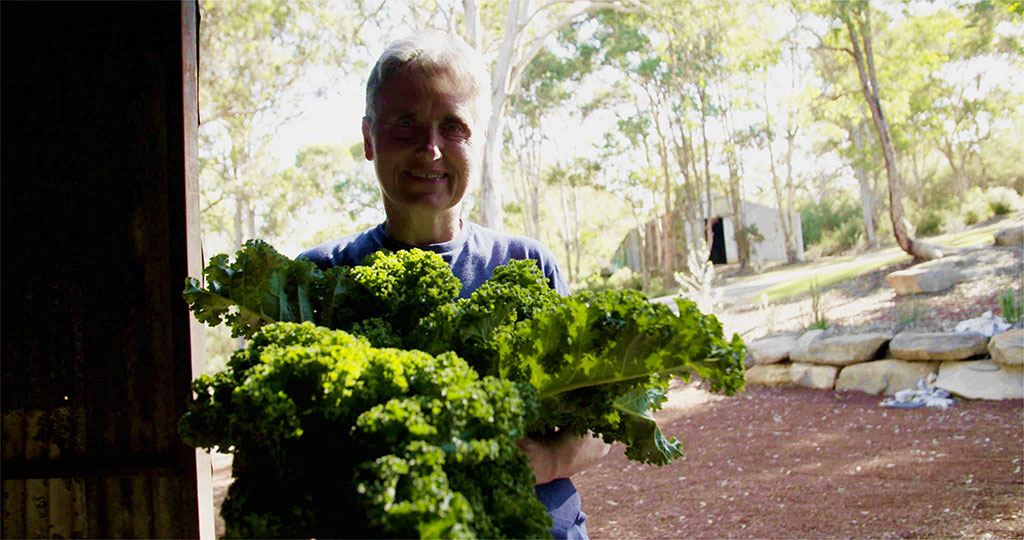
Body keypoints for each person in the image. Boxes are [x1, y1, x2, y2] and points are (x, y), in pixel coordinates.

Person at [299, 31, 609, 539]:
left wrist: (548, 458)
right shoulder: (316, 281)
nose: (431, 149)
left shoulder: (528, 265)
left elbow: (600, 422)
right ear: (369, 137)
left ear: (480, 139)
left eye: (454, 127)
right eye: (405, 125)